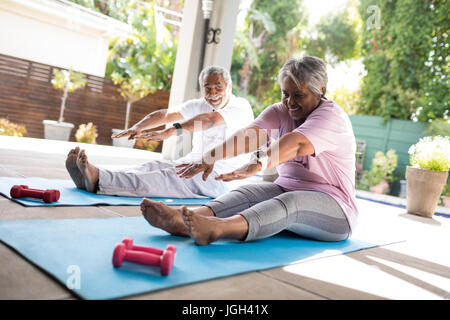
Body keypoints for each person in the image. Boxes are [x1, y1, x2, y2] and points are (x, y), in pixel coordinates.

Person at [141, 56, 358, 245]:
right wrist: (210, 157)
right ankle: (182, 220)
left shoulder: (331, 117)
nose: (290, 102)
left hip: (336, 209)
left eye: (299, 95)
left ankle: (217, 229)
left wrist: (258, 163)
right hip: (287, 188)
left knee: (290, 203)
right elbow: (250, 135)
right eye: (285, 94)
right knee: (247, 192)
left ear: (320, 90)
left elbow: (296, 143)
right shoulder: (281, 111)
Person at [65, 65, 254, 199]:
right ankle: (90, 179)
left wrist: (174, 131)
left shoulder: (241, 106)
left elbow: (210, 120)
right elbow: (165, 115)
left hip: (221, 177)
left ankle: (99, 179)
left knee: (165, 178)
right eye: (208, 88)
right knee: (153, 166)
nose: (213, 94)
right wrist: (138, 127)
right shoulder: (200, 104)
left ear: (229, 87)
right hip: (192, 163)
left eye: (218, 87)